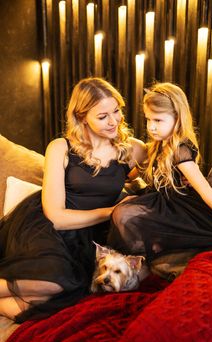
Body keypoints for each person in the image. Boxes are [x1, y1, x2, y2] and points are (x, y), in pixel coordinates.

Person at [0, 77, 146, 322]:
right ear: (81, 117)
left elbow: (167, 163)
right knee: (55, 285)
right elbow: (56, 217)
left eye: (117, 111)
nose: (114, 121)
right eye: (102, 116)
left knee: (50, 304)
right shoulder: (61, 147)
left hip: (90, 238)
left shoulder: (132, 149)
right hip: (48, 229)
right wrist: (111, 211)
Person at [108, 82, 212, 280]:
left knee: (124, 213)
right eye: (148, 120)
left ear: (177, 118)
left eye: (158, 120)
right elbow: (143, 173)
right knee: (124, 207)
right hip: (160, 201)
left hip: (179, 207)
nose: (151, 127)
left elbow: (203, 187)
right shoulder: (158, 145)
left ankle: (145, 258)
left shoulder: (180, 149)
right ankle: (146, 254)